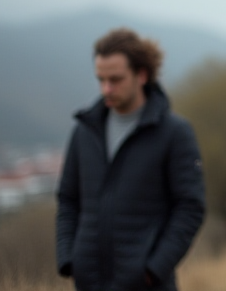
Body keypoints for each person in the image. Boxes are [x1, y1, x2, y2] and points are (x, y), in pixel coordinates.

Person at [56, 28, 205, 291]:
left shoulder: (174, 133)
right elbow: (68, 199)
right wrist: (69, 258)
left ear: (142, 75)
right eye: (101, 79)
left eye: (116, 79)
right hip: (89, 283)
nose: (106, 88)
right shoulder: (84, 131)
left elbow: (190, 207)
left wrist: (153, 269)